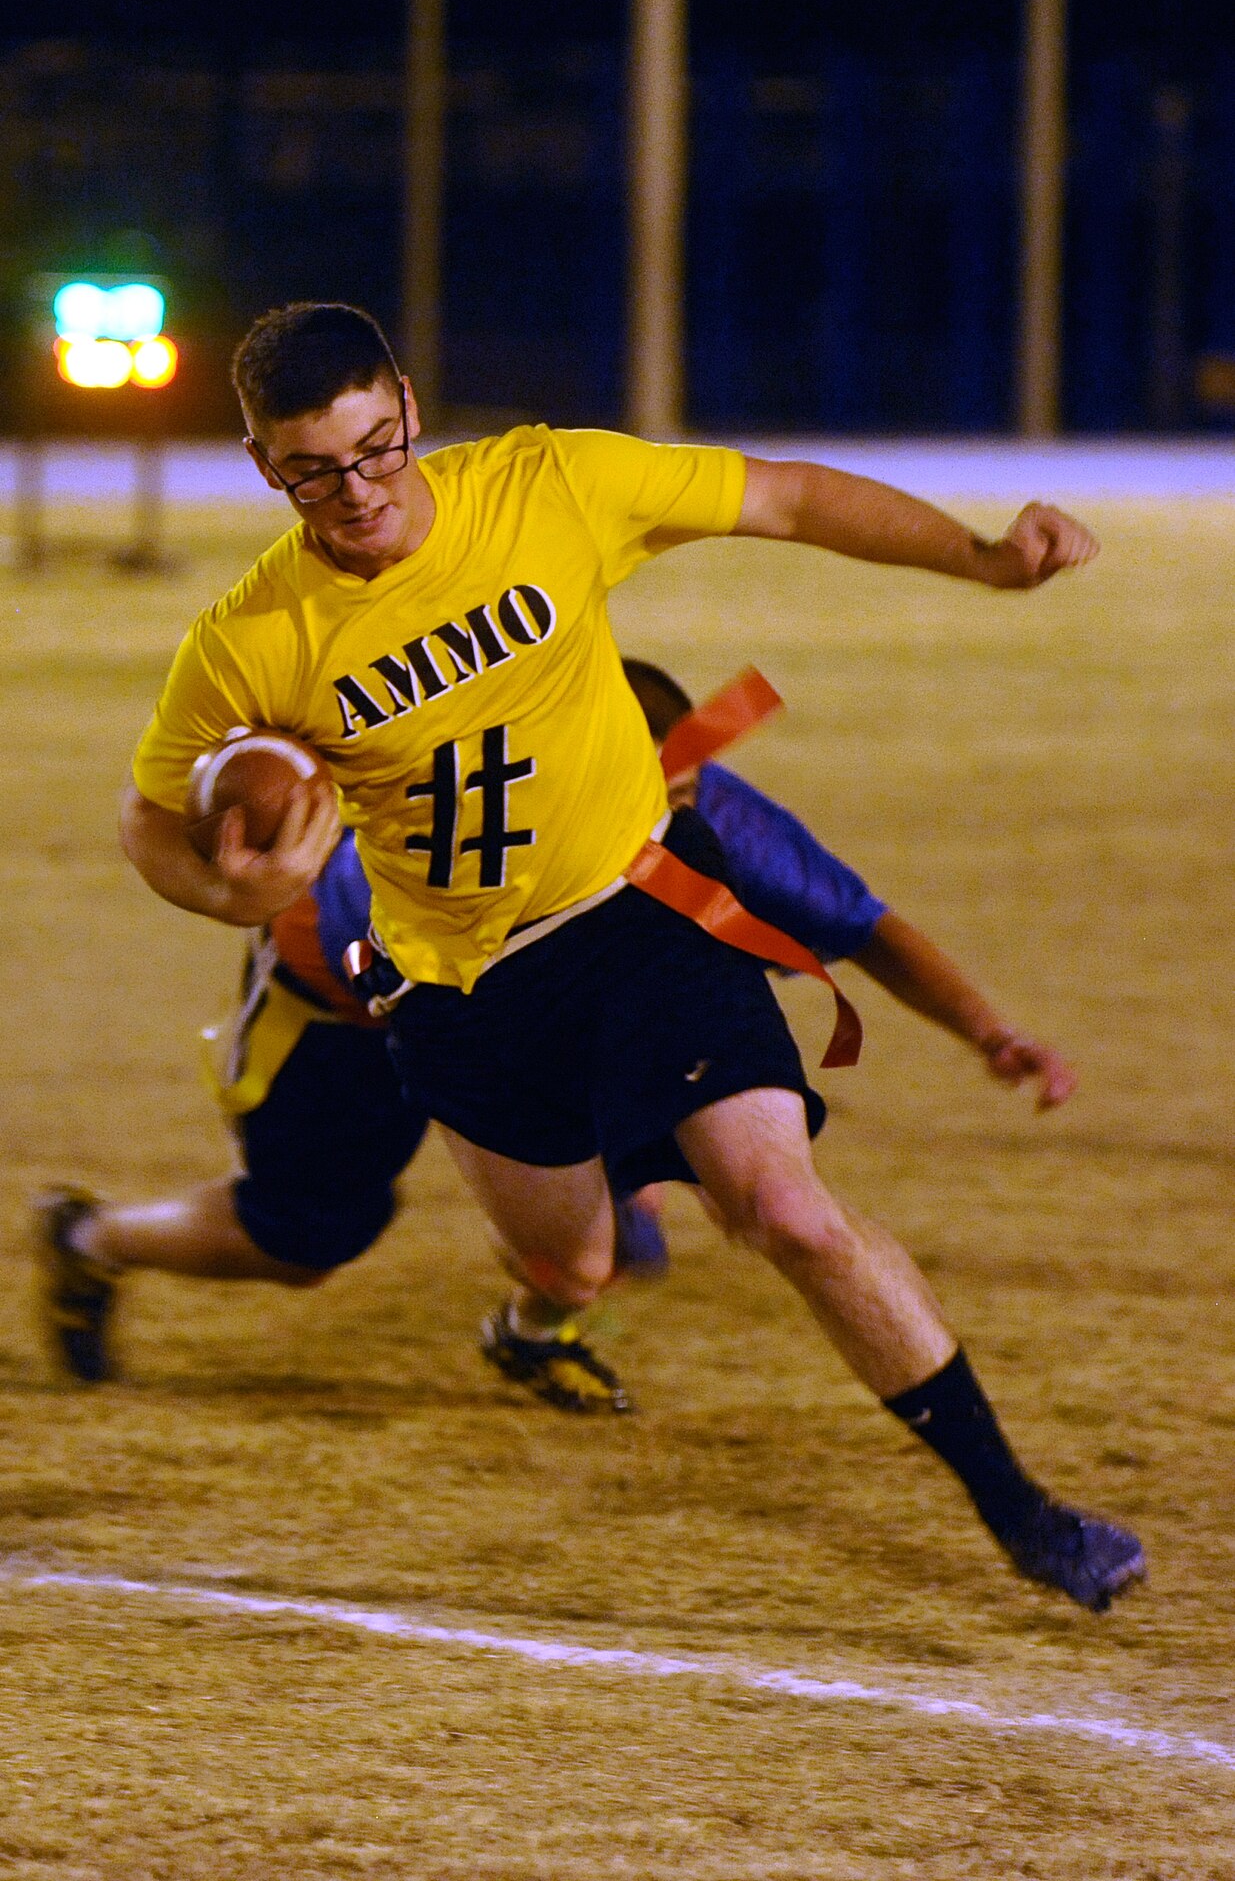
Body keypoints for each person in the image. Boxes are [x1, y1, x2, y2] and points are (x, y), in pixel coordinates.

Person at [97, 300, 1142, 1610]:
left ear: (408, 410)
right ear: (264, 467)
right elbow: (147, 823)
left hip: (639, 919)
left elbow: (789, 498)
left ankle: (1022, 1512)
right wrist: (227, 889)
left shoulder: (547, 481)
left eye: (373, 450)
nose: (354, 491)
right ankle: (532, 1327)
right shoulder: (253, 637)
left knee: (782, 1210)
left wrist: (983, 557)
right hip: (463, 994)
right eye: (312, 468)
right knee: (573, 1266)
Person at [41, 658, 1076, 1419]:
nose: (658, 824)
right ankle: (87, 1240)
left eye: (668, 801)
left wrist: (987, 1027)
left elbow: (858, 922)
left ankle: (531, 1334)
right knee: (305, 1238)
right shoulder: (442, 831)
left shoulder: (693, 801)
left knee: (587, 1242)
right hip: (352, 1010)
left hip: (501, 1013)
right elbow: (433, 1001)